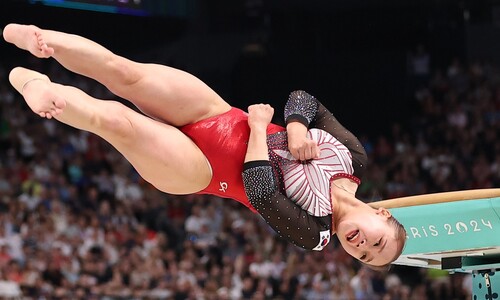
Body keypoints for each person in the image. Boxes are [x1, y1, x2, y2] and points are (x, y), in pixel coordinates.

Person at [3, 23, 406, 268]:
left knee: (117, 122)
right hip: (216, 114)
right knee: (123, 72)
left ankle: (36, 87)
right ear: (382, 213)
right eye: (377, 242)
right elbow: (305, 100)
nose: (363, 247)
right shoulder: (353, 159)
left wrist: (262, 126)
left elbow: (261, 191)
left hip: (202, 170)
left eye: (366, 257)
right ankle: (41, 42)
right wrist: (297, 130)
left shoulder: (316, 233)